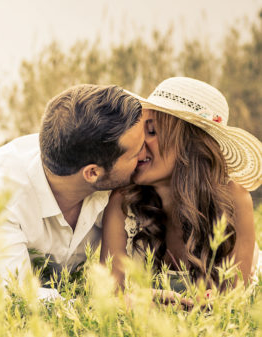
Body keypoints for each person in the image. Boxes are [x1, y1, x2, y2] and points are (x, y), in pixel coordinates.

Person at [0, 84, 146, 299]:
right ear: (92, 173)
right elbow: (14, 297)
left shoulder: (99, 165)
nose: (144, 155)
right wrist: (107, 309)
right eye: (135, 154)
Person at [100, 77, 262, 299]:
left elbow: (232, 300)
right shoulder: (123, 201)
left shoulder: (234, 198)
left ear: (189, 144)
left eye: (152, 131)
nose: (138, 143)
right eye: (138, 131)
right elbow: (108, 297)